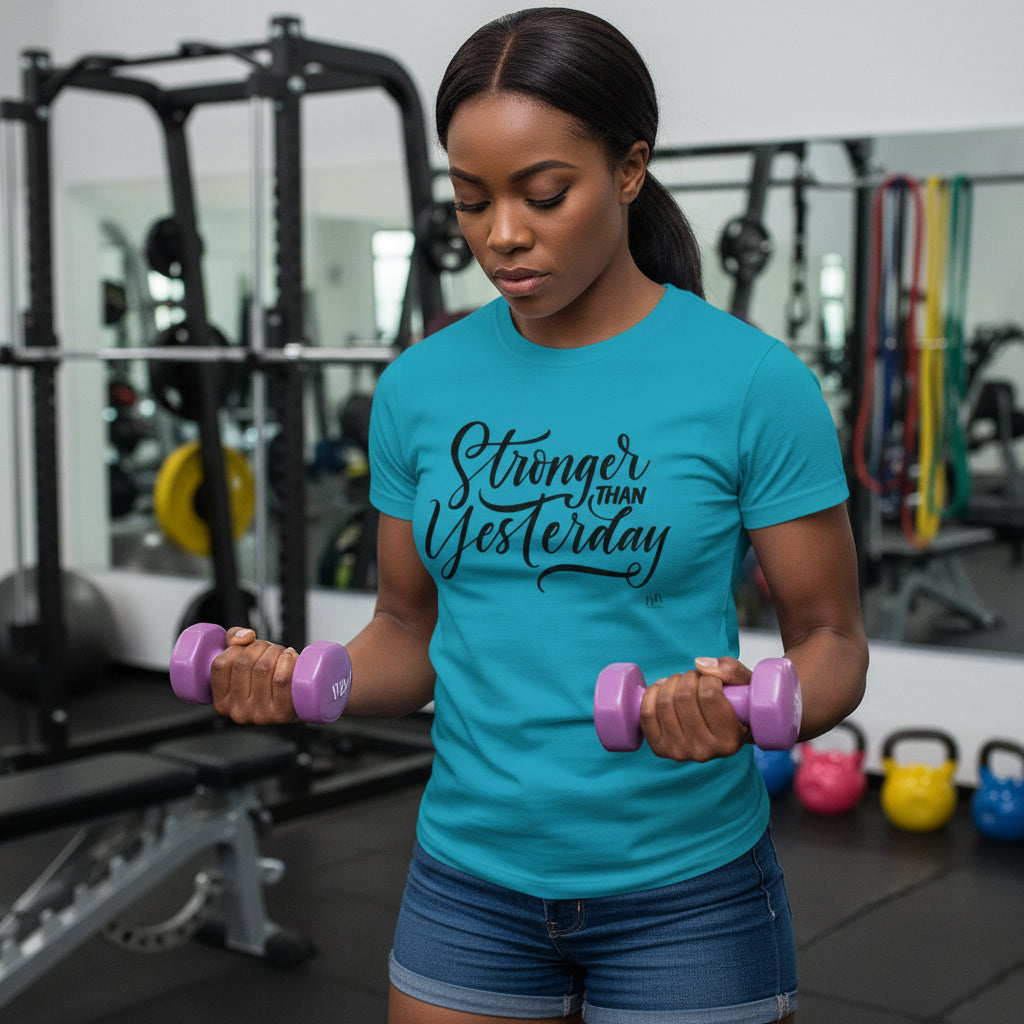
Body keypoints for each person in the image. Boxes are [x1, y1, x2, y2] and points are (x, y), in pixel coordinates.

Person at [209, 8, 868, 1023]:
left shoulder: (748, 381)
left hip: (684, 889)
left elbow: (830, 640)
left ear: (630, 169)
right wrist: (300, 682)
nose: (501, 235)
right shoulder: (420, 387)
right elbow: (404, 633)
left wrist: (745, 707)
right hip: (467, 878)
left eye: (543, 193)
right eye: (470, 201)